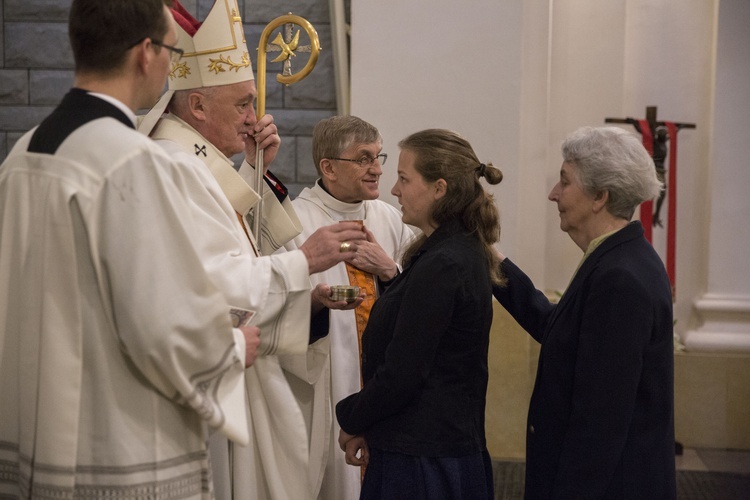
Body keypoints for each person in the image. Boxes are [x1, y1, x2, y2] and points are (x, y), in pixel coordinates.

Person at [0, 1, 260, 498]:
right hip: (114, 451)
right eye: (169, 50)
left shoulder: (24, 152)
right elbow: (160, 322)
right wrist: (230, 348)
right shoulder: (133, 162)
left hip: (36, 433)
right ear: (146, 53)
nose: (168, 65)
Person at [138, 2, 367, 499]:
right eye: (242, 103)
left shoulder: (196, 159)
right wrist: (304, 260)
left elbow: (233, 236)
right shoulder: (175, 165)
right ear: (197, 107)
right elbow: (213, 282)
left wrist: (253, 168)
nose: (254, 116)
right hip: (206, 376)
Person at [492, 126, 675, 499]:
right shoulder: (619, 258)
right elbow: (557, 326)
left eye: (564, 182)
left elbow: (600, 423)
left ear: (599, 197)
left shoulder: (619, 278)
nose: (553, 194)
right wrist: (494, 263)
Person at [336, 129, 504, 499]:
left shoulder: (444, 263)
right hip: (429, 449)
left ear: (439, 188)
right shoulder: (449, 251)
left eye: (404, 178)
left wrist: (350, 417)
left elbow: (403, 373)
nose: (395, 189)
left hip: (424, 463)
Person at [282, 115, 415, 499]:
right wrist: (315, 302)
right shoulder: (295, 222)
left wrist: (390, 270)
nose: (377, 169)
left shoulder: (390, 219)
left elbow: (422, 295)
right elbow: (274, 304)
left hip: (384, 388)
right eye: (363, 158)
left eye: (378, 156)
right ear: (328, 167)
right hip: (328, 381)